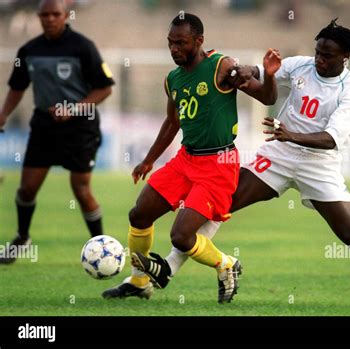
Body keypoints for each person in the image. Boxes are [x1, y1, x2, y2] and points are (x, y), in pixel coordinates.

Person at [145, 19, 350, 310]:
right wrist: (236, 69)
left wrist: (291, 134)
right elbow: (258, 72)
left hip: (319, 165)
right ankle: (167, 270)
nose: (319, 60)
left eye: (327, 56)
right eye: (317, 52)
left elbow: (330, 139)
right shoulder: (302, 64)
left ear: (345, 57)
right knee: (220, 204)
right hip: (279, 155)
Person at [102, 13, 281, 303]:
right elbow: (172, 122)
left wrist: (270, 75)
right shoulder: (172, 78)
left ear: (199, 40)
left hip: (218, 165)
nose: (174, 49)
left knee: (181, 237)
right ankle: (139, 281)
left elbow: (268, 99)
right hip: (186, 160)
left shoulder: (221, 67)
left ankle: (226, 264)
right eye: (170, 43)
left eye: (181, 43)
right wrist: (148, 160)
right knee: (139, 214)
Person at [0, 0, 114, 264]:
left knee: (81, 189)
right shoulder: (29, 50)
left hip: (80, 127)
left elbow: (104, 88)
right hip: (44, 127)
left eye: (55, 14)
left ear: (66, 16)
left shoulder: (83, 47)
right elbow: (17, 87)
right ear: (39, 17)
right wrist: (4, 113)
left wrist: (74, 109)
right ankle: (22, 238)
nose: (50, 19)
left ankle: (101, 246)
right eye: (45, 15)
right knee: (26, 189)